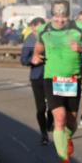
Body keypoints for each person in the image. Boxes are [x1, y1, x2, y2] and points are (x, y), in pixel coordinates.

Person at [32, 0, 82, 163]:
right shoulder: (43, 29)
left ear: (69, 15)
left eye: (64, 16)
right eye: (56, 16)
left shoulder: (80, 27)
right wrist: (36, 56)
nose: (60, 20)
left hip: (72, 80)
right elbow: (39, 46)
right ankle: (64, 161)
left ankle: (66, 139)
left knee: (71, 123)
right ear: (51, 15)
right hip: (51, 79)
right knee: (59, 118)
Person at [20, 17, 52, 145]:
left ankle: (50, 122)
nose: (41, 31)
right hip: (37, 76)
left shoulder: (49, 39)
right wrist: (32, 61)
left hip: (51, 76)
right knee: (41, 108)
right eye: (38, 28)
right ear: (32, 27)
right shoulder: (29, 41)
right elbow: (23, 59)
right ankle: (44, 134)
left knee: (53, 106)